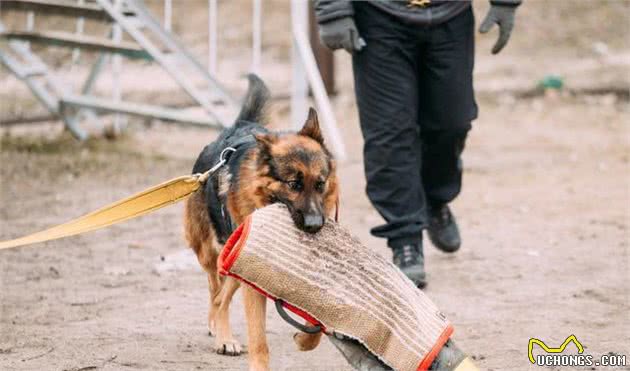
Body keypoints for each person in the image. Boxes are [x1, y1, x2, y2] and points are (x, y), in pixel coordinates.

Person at [314, 0, 521, 288]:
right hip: (378, 16)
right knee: (389, 131)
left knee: (452, 122)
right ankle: (405, 238)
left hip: (451, 14)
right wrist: (333, 11)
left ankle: (434, 200)